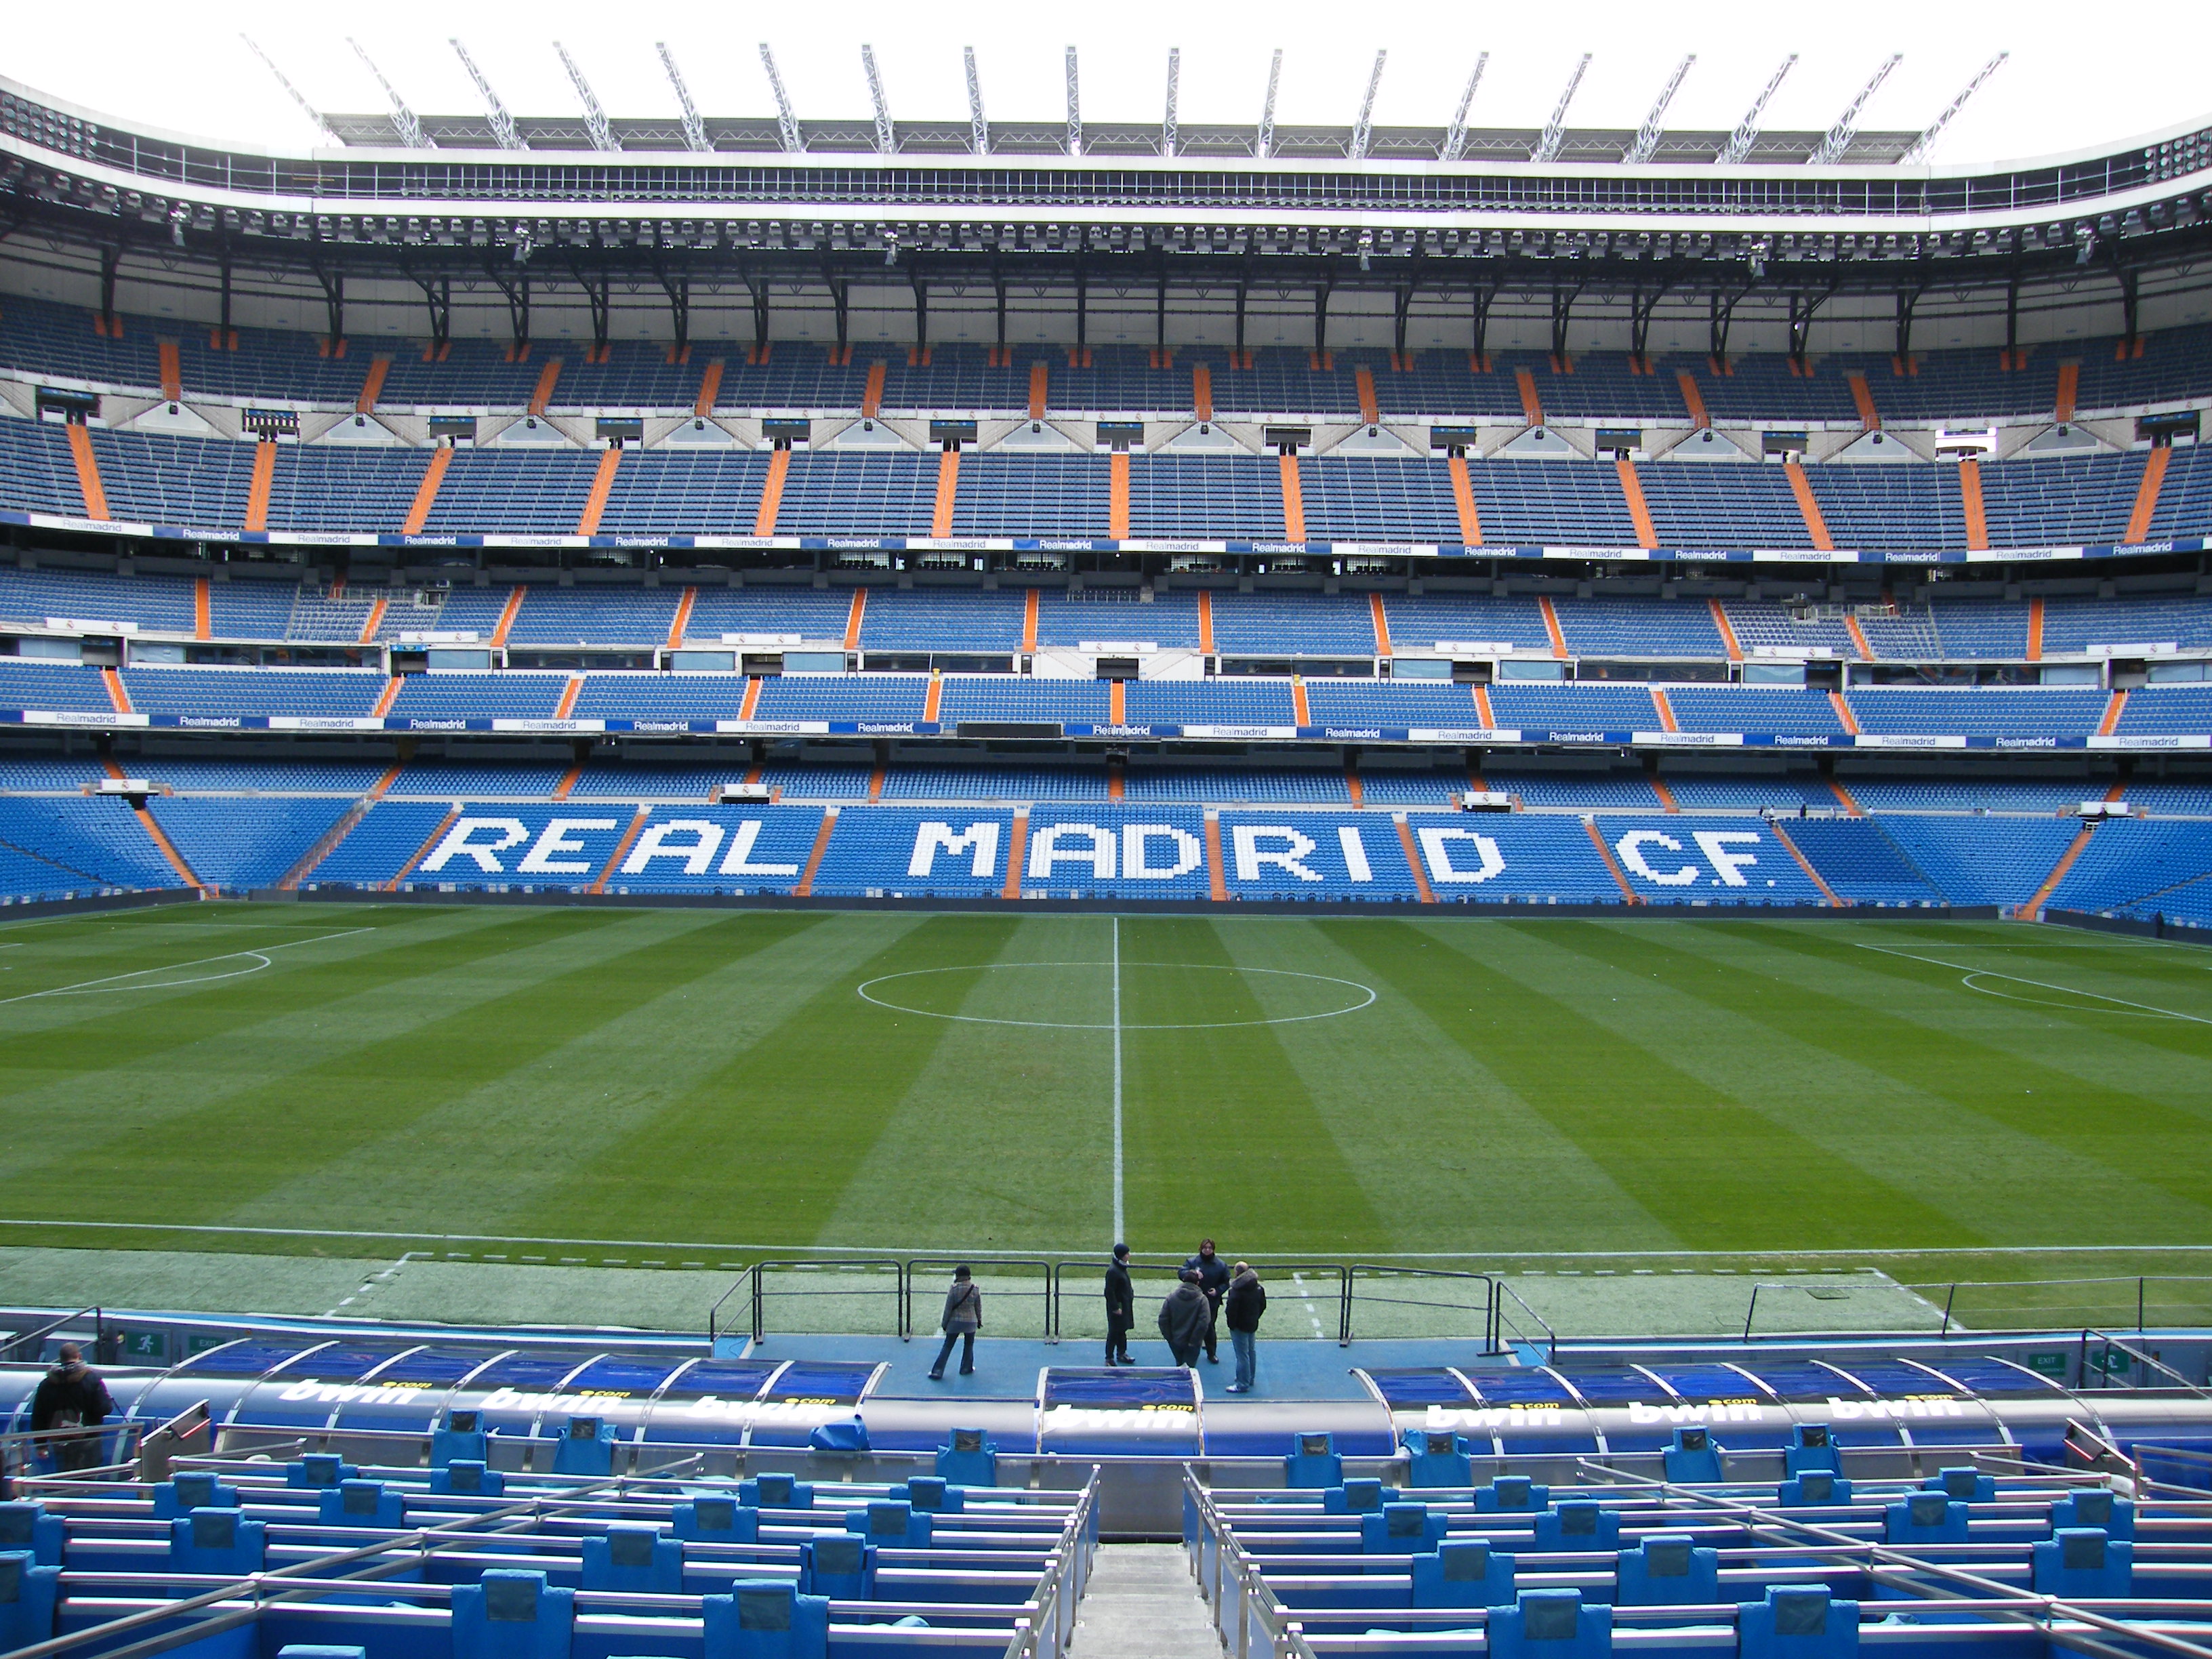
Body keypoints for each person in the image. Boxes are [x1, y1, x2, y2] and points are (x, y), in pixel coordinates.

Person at [32, 1342, 114, 1473]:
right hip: (88, 1439)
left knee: (64, 1473)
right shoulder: (91, 1379)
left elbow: (38, 1416)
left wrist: (40, 1444)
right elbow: (105, 1409)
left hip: (59, 1440)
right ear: (79, 1356)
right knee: (88, 1475)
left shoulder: (47, 1384)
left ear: (61, 1359)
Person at [928, 1265, 982, 1380]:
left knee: (948, 1346)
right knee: (969, 1345)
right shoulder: (975, 1289)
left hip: (954, 1321)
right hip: (970, 1321)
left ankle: (938, 1371)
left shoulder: (954, 1289)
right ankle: (966, 1368)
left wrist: (944, 1323)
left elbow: (948, 1308)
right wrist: (979, 1320)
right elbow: (978, 1307)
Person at [1183, 1239, 1231, 1364]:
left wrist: (1217, 1291)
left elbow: (1226, 1282)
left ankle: (1212, 1353)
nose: (1208, 1250)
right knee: (1191, 1325)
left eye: (1210, 1248)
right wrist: (1192, 1273)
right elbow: (1182, 1272)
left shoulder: (1221, 1265)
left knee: (1209, 1327)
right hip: (1193, 1299)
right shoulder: (1192, 1262)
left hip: (1211, 1301)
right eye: (1205, 1248)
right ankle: (1189, 1351)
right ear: (1201, 1249)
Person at [1222, 1262, 1266, 1393]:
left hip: (1240, 1326)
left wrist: (1232, 1324)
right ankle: (1250, 1378)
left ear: (1237, 1273)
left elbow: (1231, 1311)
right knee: (1251, 1351)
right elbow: (1263, 1306)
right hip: (1252, 1324)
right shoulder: (1258, 1288)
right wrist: (1255, 1318)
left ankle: (1242, 1383)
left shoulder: (1236, 1291)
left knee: (1242, 1355)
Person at [1158, 1269, 1214, 1368]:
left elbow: (1163, 1319)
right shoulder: (1202, 1299)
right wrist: (1194, 1341)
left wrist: (1169, 1338)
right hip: (1192, 1343)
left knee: (1180, 1366)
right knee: (1189, 1370)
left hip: (1175, 1340)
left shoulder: (1171, 1297)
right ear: (1198, 1283)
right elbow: (1204, 1323)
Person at [1103, 1244, 1134, 1366]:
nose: (1129, 1255)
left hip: (1124, 1305)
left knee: (1122, 1330)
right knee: (1114, 1332)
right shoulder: (1113, 1271)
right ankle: (1109, 1358)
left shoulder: (1119, 1268)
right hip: (1118, 1307)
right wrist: (1115, 1308)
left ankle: (1122, 1353)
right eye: (1127, 1253)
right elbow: (1109, 1291)